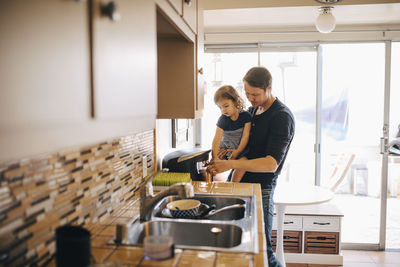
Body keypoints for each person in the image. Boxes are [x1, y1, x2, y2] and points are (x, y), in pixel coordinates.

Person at [207, 67, 295, 267]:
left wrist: (230, 164)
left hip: (260, 189)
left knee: (264, 251)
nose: (250, 98)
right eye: (247, 93)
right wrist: (226, 152)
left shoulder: (281, 117)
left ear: (269, 89)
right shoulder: (254, 110)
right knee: (243, 247)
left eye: (254, 94)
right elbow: (245, 143)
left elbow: (271, 164)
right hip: (241, 183)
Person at [211, 85, 251, 182]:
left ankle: (233, 184)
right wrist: (215, 157)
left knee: (241, 165)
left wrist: (237, 151)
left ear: (236, 102)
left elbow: (246, 136)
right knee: (212, 167)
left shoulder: (246, 116)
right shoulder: (223, 119)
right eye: (220, 107)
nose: (223, 110)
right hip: (226, 149)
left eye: (226, 106)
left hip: (241, 150)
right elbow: (216, 139)